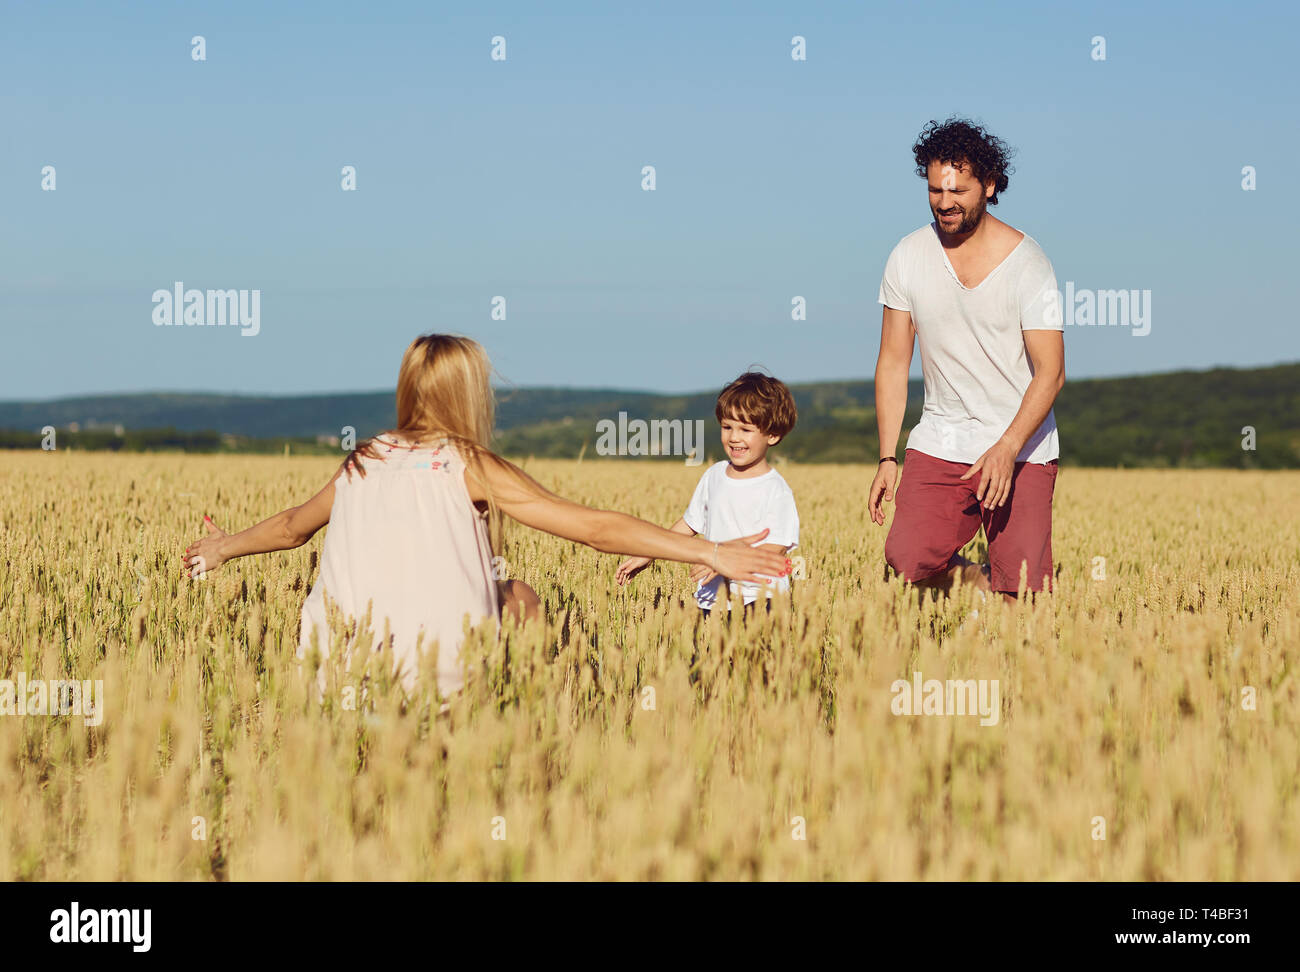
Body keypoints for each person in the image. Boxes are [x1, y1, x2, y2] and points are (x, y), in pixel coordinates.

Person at [182, 334, 791, 697]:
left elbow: (291, 528)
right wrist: (712, 552)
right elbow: (594, 529)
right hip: (438, 675)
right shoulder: (467, 463)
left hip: (336, 670)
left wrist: (222, 548)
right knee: (519, 596)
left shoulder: (361, 461)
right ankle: (514, 733)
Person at [869, 118, 1066, 602]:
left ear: (991, 185)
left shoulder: (1030, 265)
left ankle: (1004, 604)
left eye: (958, 190)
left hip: (1020, 447)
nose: (944, 201)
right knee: (908, 560)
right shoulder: (908, 256)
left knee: (1024, 599)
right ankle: (974, 583)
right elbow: (894, 362)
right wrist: (887, 456)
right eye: (935, 190)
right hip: (941, 436)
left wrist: (1007, 445)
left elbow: (1052, 372)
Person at [615, 371, 799, 616]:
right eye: (727, 427)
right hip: (712, 599)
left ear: (773, 435)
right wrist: (649, 553)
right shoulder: (714, 476)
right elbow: (689, 524)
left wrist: (722, 561)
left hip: (761, 599)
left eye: (745, 429)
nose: (734, 437)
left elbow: (775, 547)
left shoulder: (776, 489)